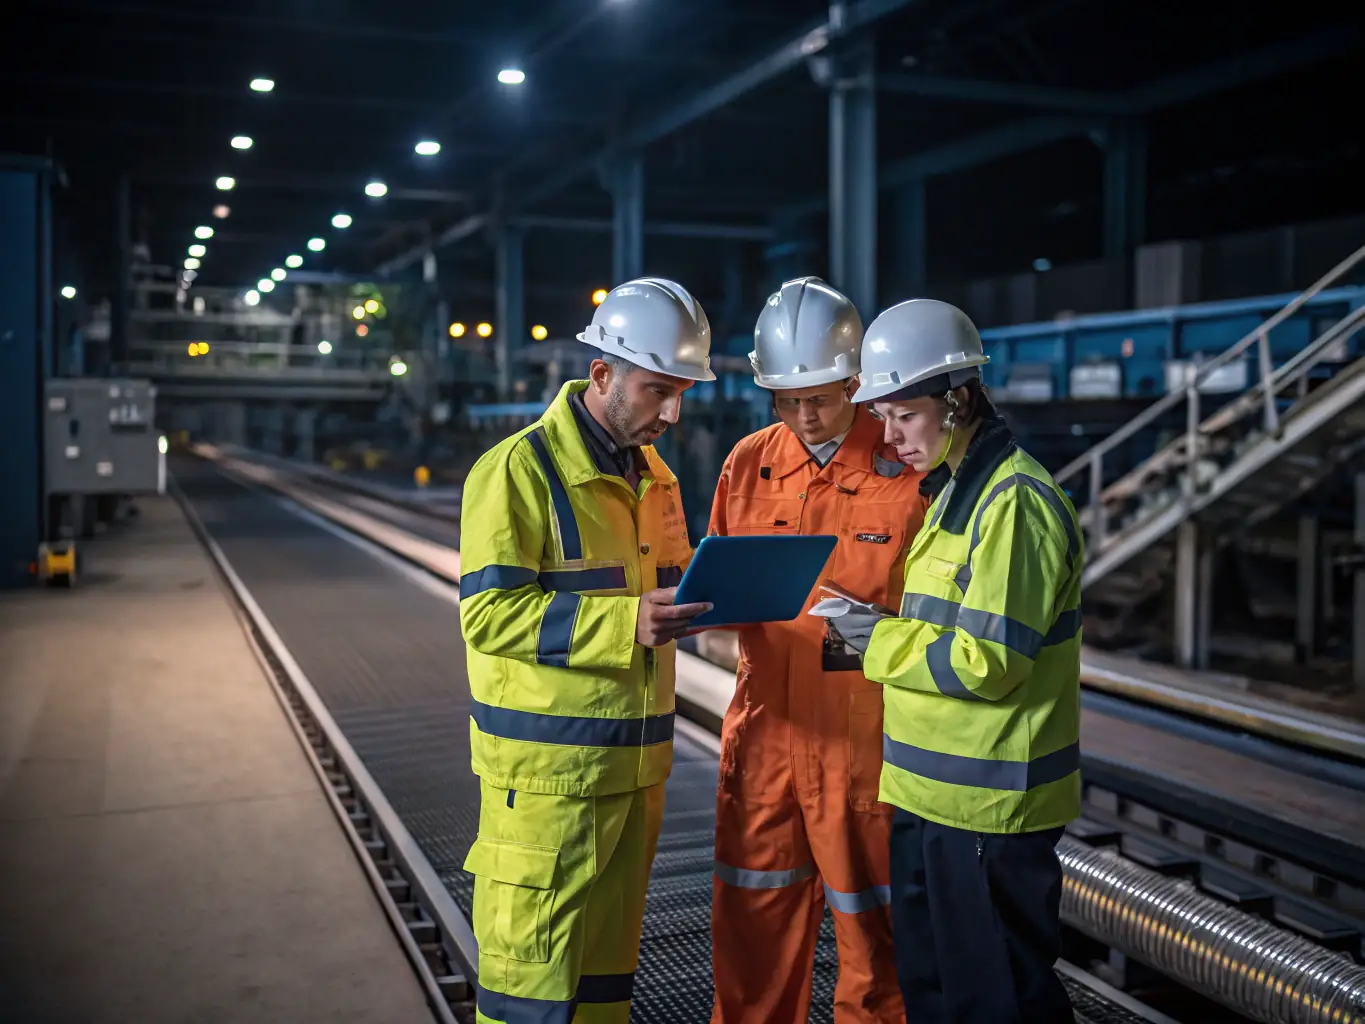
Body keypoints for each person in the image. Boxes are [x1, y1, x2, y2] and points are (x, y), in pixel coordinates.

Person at [458, 277, 717, 1023]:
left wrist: (709, 600)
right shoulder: (516, 471)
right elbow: (490, 616)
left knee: (605, 994)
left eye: (681, 394)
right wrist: (624, 624)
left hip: (634, 782)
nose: (670, 413)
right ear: (601, 375)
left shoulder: (655, 478)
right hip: (547, 790)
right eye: (655, 390)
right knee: (527, 1000)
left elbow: (661, 588)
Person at [826, 298, 1083, 1024]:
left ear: (957, 398)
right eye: (882, 416)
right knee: (937, 996)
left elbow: (988, 661)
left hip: (988, 813)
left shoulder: (1013, 504)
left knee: (996, 1002)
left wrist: (870, 639)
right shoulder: (949, 494)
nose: (890, 434)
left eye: (902, 414)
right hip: (930, 799)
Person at [708, 276, 926, 1024]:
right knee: (751, 927)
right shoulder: (747, 463)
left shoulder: (908, 471)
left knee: (877, 942)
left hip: (865, 743)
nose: (804, 416)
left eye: (824, 399)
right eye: (786, 400)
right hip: (765, 731)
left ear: (857, 381)